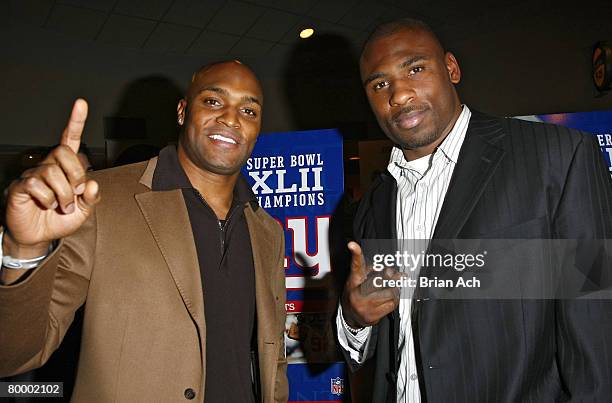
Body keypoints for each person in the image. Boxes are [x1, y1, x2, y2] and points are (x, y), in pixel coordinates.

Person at [336, 18, 612, 402]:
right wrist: (355, 318)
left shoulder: (558, 158)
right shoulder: (374, 203)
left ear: (451, 68)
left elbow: (598, 323)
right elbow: (384, 347)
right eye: (380, 84)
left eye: (415, 68)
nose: (398, 94)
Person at [0, 60, 288, 403]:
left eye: (249, 110)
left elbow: (272, 358)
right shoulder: (100, 201)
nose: (231, 118)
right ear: (182, 112)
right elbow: (13, 355)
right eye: (213, 101)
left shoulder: (267, 231)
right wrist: (23, 250)